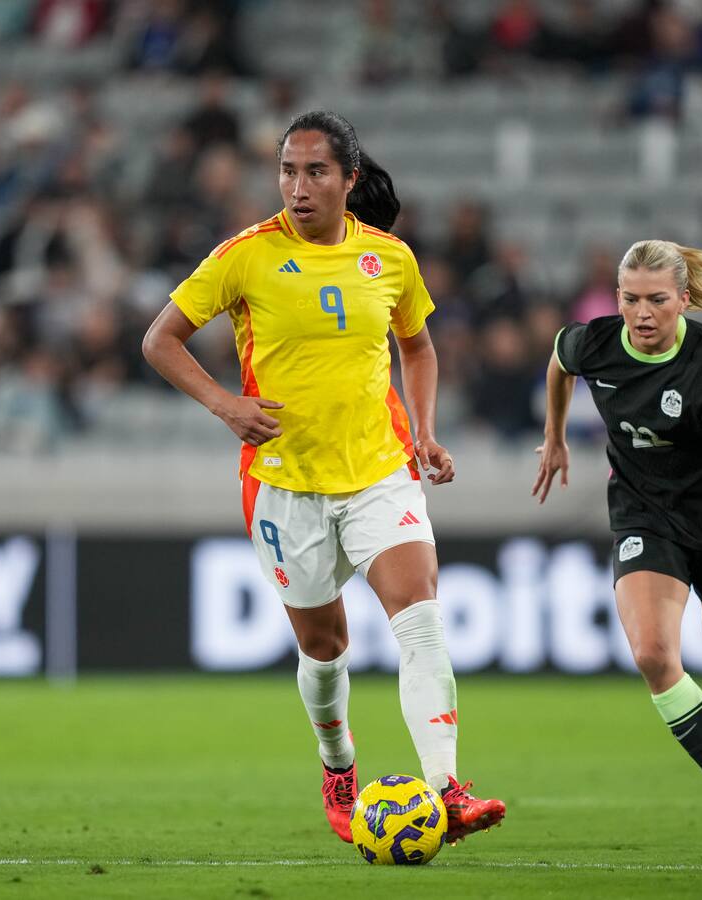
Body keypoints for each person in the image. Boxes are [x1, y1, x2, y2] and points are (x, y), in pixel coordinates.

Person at [142, 110, 505, 846]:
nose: (298, 187)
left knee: (421, 618)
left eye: (315, 172)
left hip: (379, 471)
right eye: (288, 171)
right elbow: (160, 340)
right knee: (324, 647)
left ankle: (446, 789)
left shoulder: (389, 258)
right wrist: (225, 405)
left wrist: (424, 432)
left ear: (349, 179)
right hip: (285, 484)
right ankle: (338, 765)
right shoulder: (245, 256)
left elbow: (418, 347)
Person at [532, 239, 702, 853]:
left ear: (683, 300)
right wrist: (555, 435)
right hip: (644, 515)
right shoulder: (596, 343)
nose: (642, 313)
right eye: (630, 299)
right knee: (653, 653)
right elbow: (558, 363)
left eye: (656, 300)